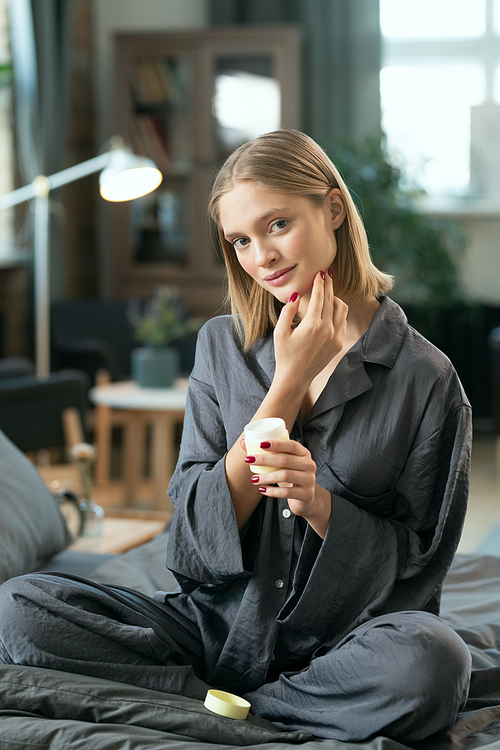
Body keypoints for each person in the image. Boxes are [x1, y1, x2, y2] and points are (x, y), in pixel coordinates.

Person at [0, 130, 472, 742]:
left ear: (332, 208)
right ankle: (239, 704)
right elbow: (192, 546)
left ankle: (227, 707)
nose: (262, 257)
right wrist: (286, 385)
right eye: (241, 241)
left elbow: (420, 569)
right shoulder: (221, 347)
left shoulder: (426, 379)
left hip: (349, 644)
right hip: (213, 628)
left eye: (277, 224)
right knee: (16, 609)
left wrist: (323, 507)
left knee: (432, 664)